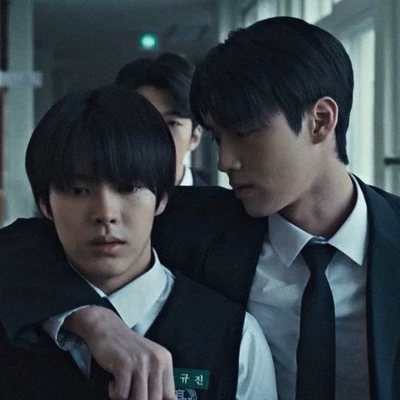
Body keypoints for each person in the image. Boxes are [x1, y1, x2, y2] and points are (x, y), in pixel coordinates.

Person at [0, 15, 399, 400]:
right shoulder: (194, 223)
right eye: (217, 138)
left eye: (243, 133)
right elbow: (25, 245)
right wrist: (92, 318)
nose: (224, 161)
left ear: (320, 121)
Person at [0, 84, 276, 400]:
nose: (106, 214)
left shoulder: (234, 339)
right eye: (78, 191)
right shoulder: (10, 318)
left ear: (161, 199)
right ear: (45, 205)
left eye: (129, 188)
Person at [115, 52, 208, 186]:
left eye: (171, 123)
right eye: (141, 121)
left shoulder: (220, 200)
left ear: (194, 137)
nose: (155, 135)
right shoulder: (102, 197)